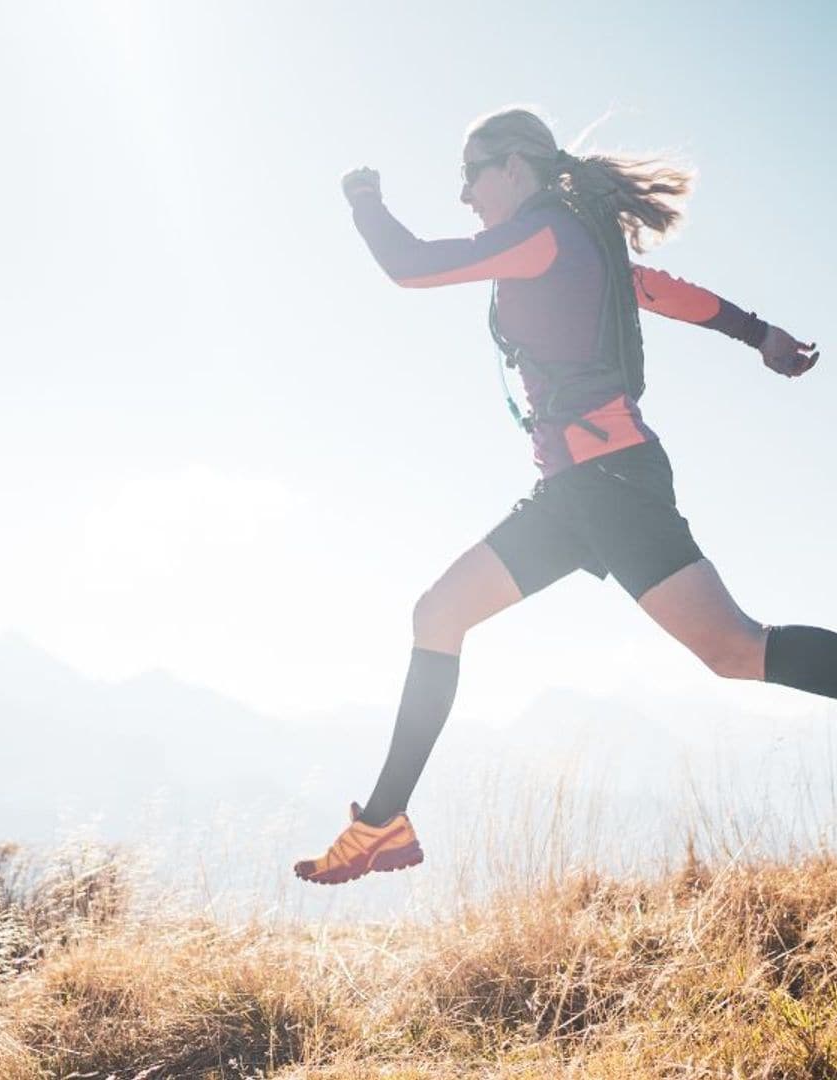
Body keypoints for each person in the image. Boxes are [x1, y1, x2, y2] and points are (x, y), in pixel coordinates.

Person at [294, 106, 832, 887]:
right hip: (574, 492)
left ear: (515, 167)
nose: (466, 195)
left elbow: (409, 266)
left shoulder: (546, 233)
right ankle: (382, 825)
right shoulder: (578, 244)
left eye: (471, 175)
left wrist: (363, 197)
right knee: (438, 615)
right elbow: (663, 291)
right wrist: (759, 336)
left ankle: (380, 822)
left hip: (611, 483)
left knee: (735, 650)